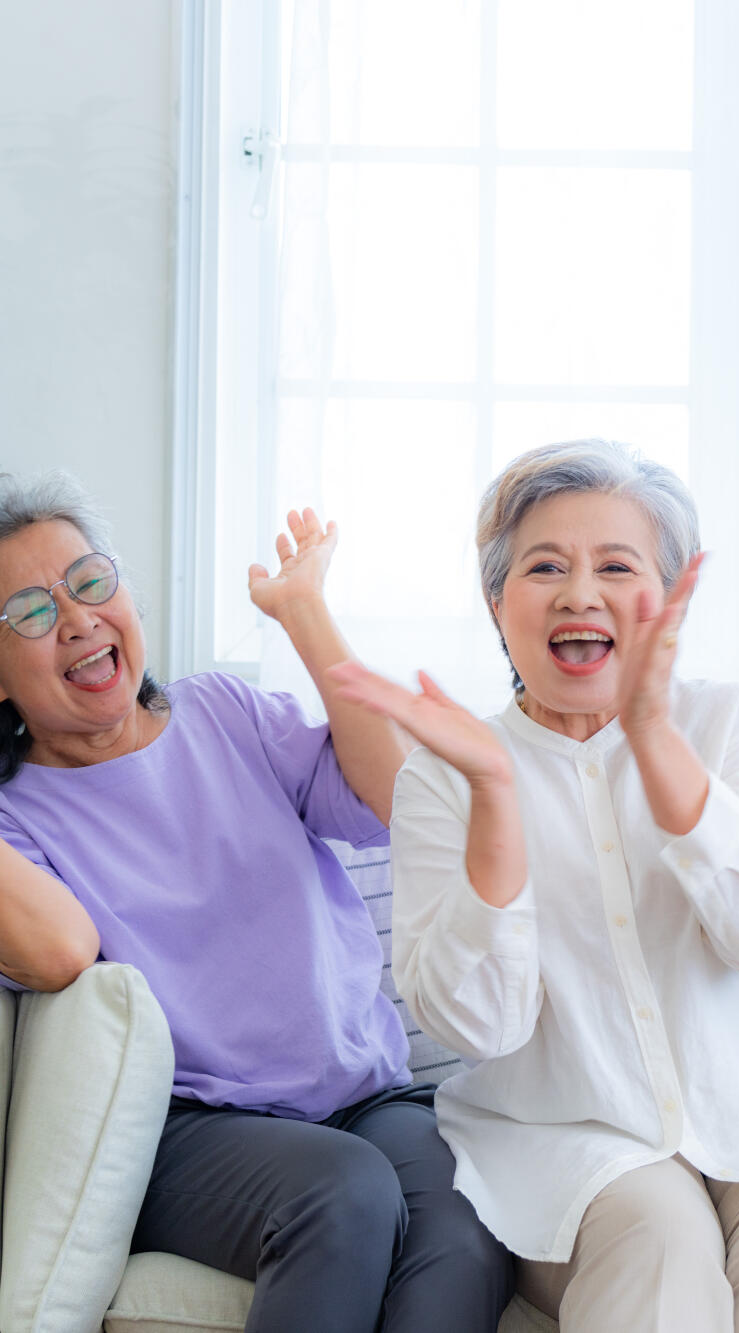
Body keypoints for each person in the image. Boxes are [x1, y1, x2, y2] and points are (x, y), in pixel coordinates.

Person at [329, 440, 739, 1333]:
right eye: (544, 566)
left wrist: (659, 740)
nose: (578, 593)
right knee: (660, 1236)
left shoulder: (735, 718)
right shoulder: (446, 774)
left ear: (667, 600)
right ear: (497, 603)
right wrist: (495, 797)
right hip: (571, 1139)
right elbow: (478, 1024)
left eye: (615, 566)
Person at [0, 472, 511, 1333]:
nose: (79, 618)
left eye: (89, 581)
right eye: (30, 611)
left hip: (368, 1094)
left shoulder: (226, 711)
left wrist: (306, 612)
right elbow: (56, 949)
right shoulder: (18, 816)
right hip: (194, 1132)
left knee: (462, 1219)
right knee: (345, 1192)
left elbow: (393, 796)